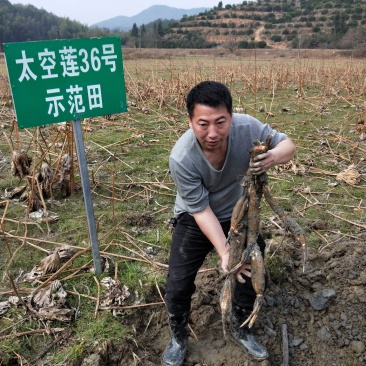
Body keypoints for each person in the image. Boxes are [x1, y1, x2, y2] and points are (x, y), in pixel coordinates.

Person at [162, 81, 296, 366]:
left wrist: (272, 157)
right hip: (196, 218)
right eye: (203, 124)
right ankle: (178, 336)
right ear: (189, 121)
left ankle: (241, 327)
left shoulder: (247, 128)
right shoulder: (182, 157)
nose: (212, 133)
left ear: (231, 117)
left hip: (241, 213)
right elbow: (200, 210)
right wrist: (225, 252)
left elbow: (289, 145)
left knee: (250, 271)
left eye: (220, 122)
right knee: (177, 283)